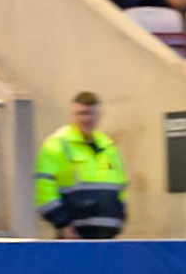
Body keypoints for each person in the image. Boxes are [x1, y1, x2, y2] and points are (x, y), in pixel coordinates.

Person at [35, 91, 127, 240]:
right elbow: (44, 190)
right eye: (81, 113)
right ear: (73, 115)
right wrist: (62, 224)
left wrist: (119, 220)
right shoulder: (57, 145)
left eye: (90, 113)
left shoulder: (109, 147)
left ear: (99, 115)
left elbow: (121, 187)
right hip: (73, 236)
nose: (86, 119)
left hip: (107, 237)